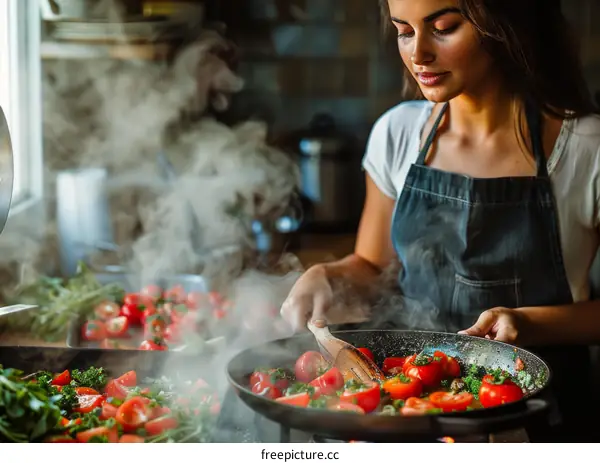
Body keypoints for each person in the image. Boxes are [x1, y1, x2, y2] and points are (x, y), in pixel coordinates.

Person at [280, 0, 600, 442]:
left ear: (505, 26)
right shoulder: (397, 134)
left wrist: (529, 323)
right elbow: (371, 265)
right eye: (404, 31)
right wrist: (329, 275)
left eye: (444, 28)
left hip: (537, 419)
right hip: (406, 409)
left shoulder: (588, 147)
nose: (418, 54)